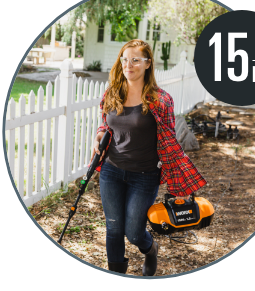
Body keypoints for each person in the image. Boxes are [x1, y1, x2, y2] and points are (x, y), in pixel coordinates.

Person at [89, 39, 207, 276]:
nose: (128, 64)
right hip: (112, 171)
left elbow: (168, 139)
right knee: (113, 229)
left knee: (133, 232)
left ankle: (150, 249)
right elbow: (106, 123)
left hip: (144, 175)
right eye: (124, 59)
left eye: (135, 60)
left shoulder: (161, 100)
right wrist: (100, 133)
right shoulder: (112, 93)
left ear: (147, 64)